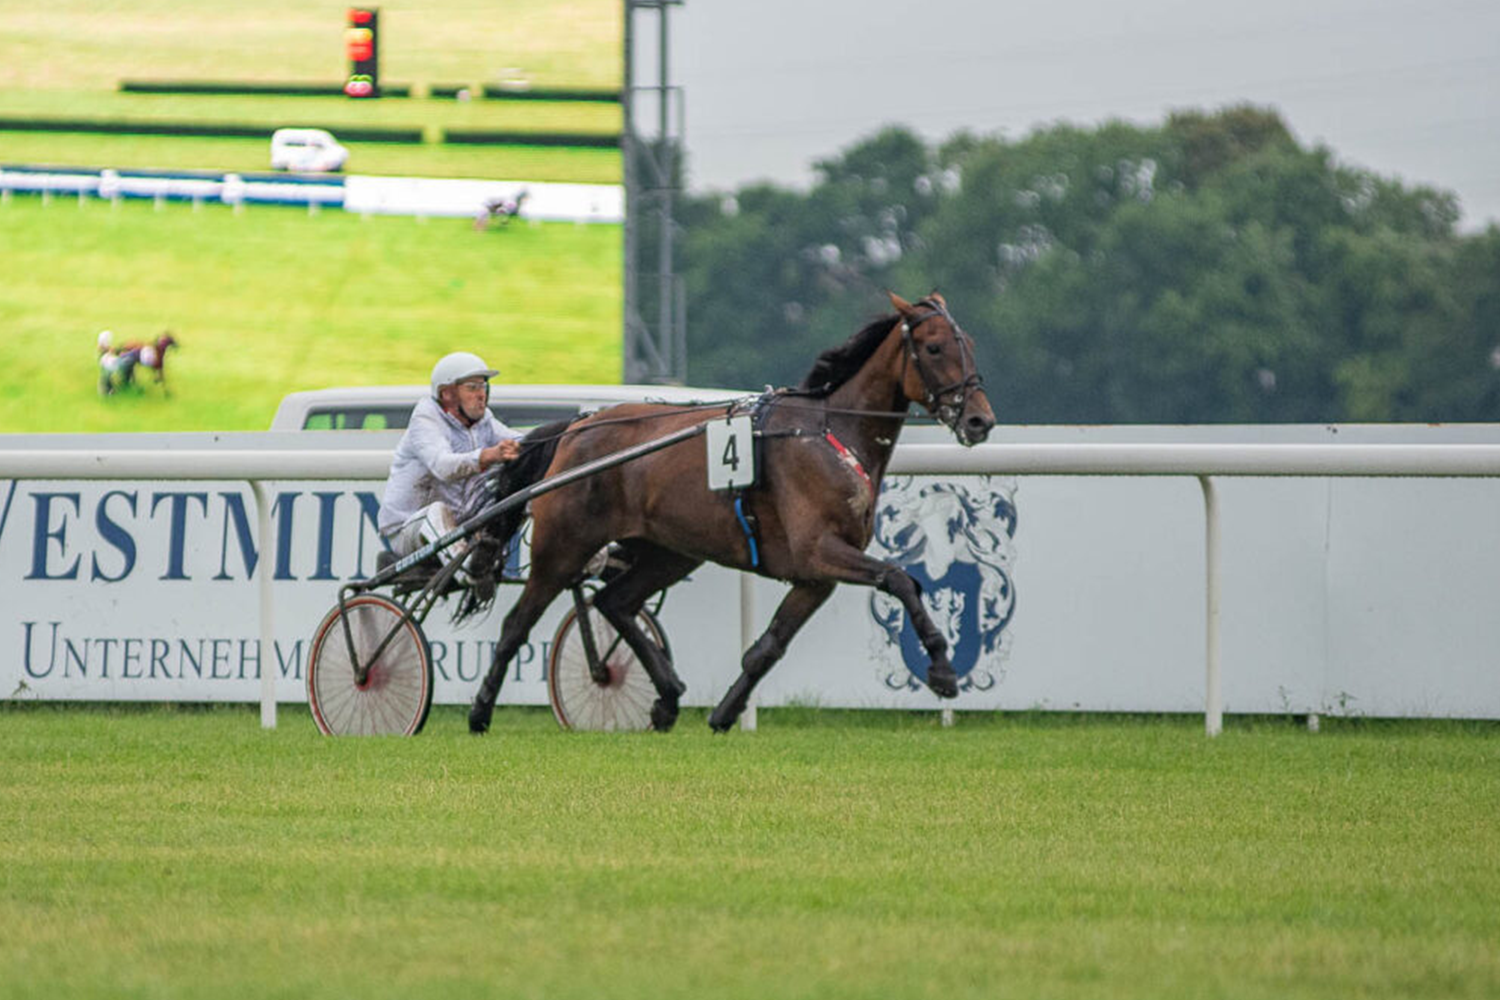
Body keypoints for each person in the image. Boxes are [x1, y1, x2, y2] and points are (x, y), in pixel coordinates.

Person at [378, 352, 524, 575]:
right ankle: (469, 570)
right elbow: (443, 467)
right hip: (409, 530)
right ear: (446, 394)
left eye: (484, 386)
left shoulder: (484, 421)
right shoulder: (425, 420)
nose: (481, 395)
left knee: (521, 497)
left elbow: (519, 441)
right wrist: (488, 455)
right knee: (435, 511)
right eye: (472, 387)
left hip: (458, 530)